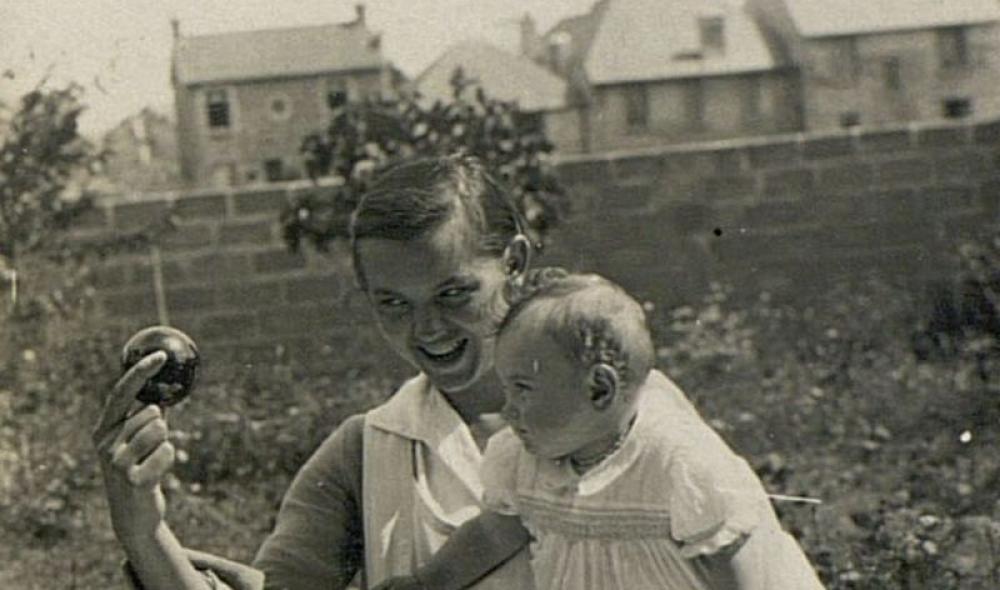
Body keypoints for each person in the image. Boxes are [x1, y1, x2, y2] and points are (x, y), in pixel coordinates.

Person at [91, 155, 540, 590]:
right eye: (394, 303)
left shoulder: (606, 412)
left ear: (514, 263)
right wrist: (144, 531)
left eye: (454, 293)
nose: (427, 327)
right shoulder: (366, 452)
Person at [377, 270, 825, 590]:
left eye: (524, 389)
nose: (507, 409)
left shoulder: (677, 464)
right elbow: (495, 533)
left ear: (599, 389)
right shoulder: (521, 461)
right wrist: (427, 581)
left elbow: (740, 572)